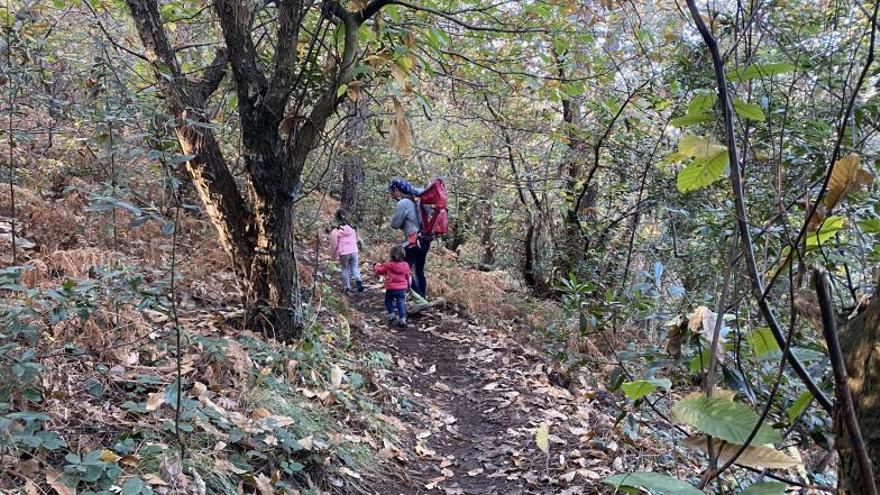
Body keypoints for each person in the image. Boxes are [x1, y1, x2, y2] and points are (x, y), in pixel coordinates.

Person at [388, 178, 431, 298]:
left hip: (412, 242)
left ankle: (419, 300)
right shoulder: (417, 201)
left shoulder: (403, 203)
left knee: (401, 270)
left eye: (392, 192)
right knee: (419, 271)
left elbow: (395, 224)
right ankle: (422, 298)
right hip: (424, 240)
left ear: (397, 190)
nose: (391, 195)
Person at [374, 244, 410, 327]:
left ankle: (391, 313)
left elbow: (380, 271)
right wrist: (408, 285)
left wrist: (376, 266)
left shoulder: (388, 264)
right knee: (400, 302)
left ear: (392, 254)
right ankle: (402, 319)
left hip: (391, 288)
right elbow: (408, 276)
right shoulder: (405, 265)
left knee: (388, 301)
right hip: (402, 288)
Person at [329, 209, 363, 294]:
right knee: (355, 267)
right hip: (354, 251)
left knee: (345, 269)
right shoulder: (352, 229)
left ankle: (347, 287)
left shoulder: (336, 231)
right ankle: (358, 279)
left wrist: (333, 256)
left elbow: (334, 245)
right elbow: (355, 240)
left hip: (344, 252)